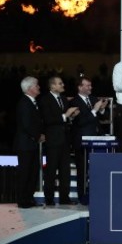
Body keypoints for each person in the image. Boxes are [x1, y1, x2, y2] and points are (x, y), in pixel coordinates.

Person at [40, 76, 78, 205]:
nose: (63, 85)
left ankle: (64, 198)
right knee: (51, 170)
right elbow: (48, 119)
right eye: (60, 83)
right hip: (53, 140)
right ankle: (49, 199)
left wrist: (71, 117)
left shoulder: (63, 99)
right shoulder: (45, 100)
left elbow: (64, 119)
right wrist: (65, 115)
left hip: (65, 140)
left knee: (65, 170)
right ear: (52, 86)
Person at [72, 77, 108, 203]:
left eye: (90, 85)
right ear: (80, 87)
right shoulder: (74, 102)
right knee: (82, 170)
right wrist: (94, 110)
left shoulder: (93, 99)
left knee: (97, 170)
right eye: (87, 85)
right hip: (82, 142)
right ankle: (82, 197)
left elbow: (103, 118)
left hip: (96, 140)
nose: (90, 88)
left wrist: (102, 108)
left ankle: (99, 195)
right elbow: (80, 121)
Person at [14, 76, 44, 208]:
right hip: (25, 144)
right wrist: (38, 136)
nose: (39, 87)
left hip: (31, 144)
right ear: (30, 88)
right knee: (25, 172)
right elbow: (27, 124)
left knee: (32, 172)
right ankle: (23, 200)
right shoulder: (25, 103)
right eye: (36, 85)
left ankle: (28, 198)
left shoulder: (31, 102)